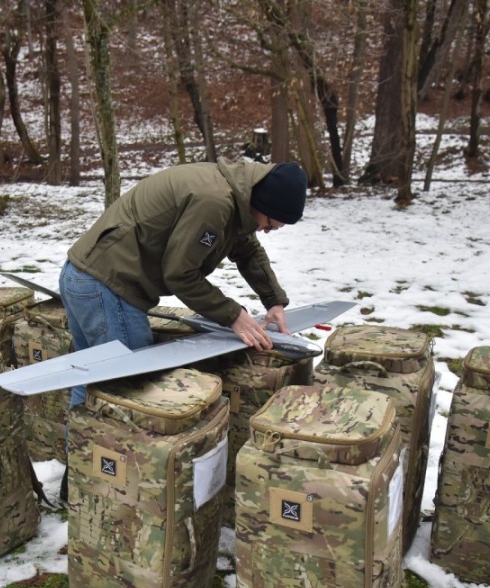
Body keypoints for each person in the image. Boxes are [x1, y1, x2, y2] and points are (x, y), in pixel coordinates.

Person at [56, 159, 308, 501]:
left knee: (93, 381)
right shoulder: (214, 202)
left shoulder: (237, 194)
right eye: (270, 224)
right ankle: (107, 492)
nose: (266, 231)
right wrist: (232, 315)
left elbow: (247, 248)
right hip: (108, 287)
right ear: (262, 204)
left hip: (85, 276)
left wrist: (274, 300)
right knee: (132, 396)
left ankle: (77, 476)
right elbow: (180, 274)